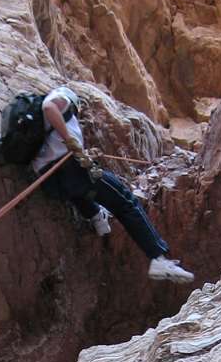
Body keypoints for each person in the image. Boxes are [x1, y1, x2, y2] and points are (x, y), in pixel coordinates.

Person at [33, 88, 195, 283]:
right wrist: (70, 141)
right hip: (68, 167)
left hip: (51, 179)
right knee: (125, 201)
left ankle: (97, 218)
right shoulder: (63, 96)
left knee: (81, 191)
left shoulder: (39, 128)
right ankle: (158, 258)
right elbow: (49, 107)